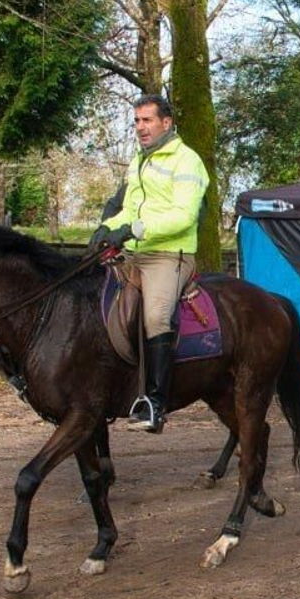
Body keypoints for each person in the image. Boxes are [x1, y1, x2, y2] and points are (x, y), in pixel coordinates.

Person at [91, 94, 210, 433]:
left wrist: (132, 230)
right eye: (137, 121)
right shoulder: (139, 161)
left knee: (156, 315)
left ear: (166, 123)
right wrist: (108, 228)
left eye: (147, 120)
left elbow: (184, 216)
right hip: (137, 252)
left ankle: (155, 404)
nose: (140, 128)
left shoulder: (187, 161)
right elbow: (129, 209)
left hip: (170, 254)